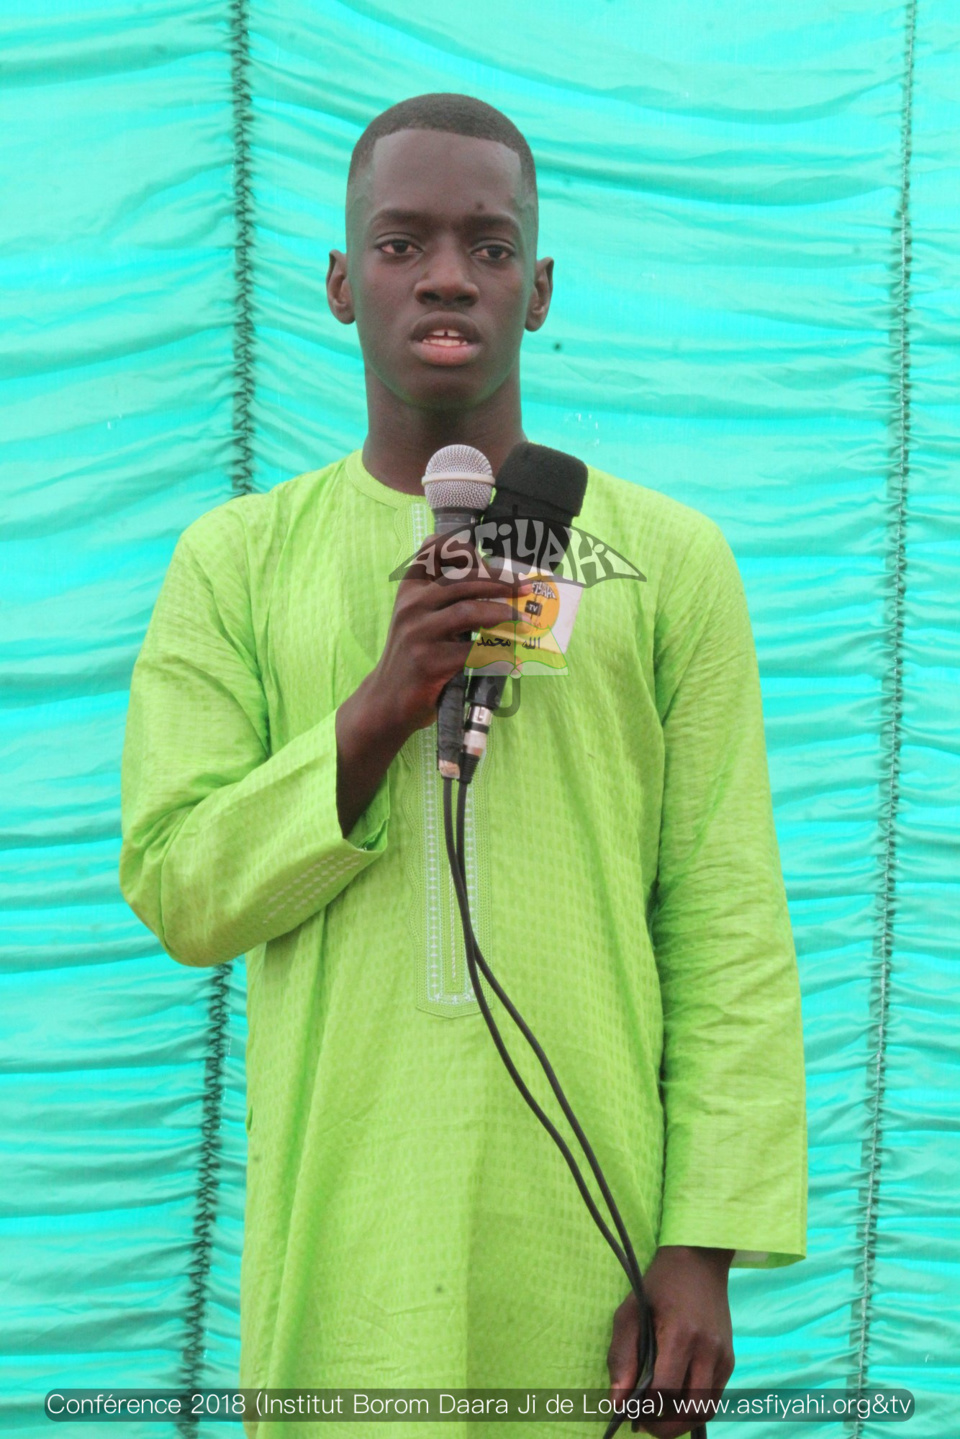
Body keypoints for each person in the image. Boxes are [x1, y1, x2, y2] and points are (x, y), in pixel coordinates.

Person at [119, 93, 807, 1438]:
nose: (446, 274)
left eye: (489, 247)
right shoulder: (235, 560)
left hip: (593, 1237)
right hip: (345, 1231)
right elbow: (179, 887)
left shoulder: (671, 563)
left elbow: (727, 919)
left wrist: (704, 1241)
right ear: (339, 283)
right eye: (400, 242)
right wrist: (379, 711)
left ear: (538, 290)